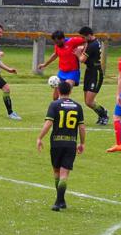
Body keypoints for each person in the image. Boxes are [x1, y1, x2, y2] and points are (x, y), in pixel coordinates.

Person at [37, 80, 86, 211]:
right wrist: (82, 143)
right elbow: (82, 127)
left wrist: (40, 138)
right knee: (64, 174)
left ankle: (58, 201)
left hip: (56, 143)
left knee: (57, 172)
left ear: (58, 91)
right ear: (70, 91)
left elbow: (48, 124)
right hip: (71, 143)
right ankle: (61, 201)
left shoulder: (54, 105)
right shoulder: (78, 106)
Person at [37, 29, 85, 97]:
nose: (56, 44)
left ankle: (67, 103)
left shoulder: (72, 41)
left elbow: (86, 40)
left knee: (64, 93)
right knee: (55, 97)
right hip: (61, 73)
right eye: (55, 42)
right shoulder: (57, 45)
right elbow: (55, 55)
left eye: (57, 42)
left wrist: (82, 49)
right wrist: (45, 64)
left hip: (72, 73)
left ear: (62, 39)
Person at [78, 26, 108, 126]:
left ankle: (103, 114)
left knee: (89, 101)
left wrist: (78, 53)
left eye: (83, 37)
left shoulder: (93, 45)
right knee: (87, 102)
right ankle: (102, 112)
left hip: (96, 73)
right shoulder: (91, 42)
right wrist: (83, 48)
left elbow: (82, 60)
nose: (82, 39)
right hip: (89, 72)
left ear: (89, 35)